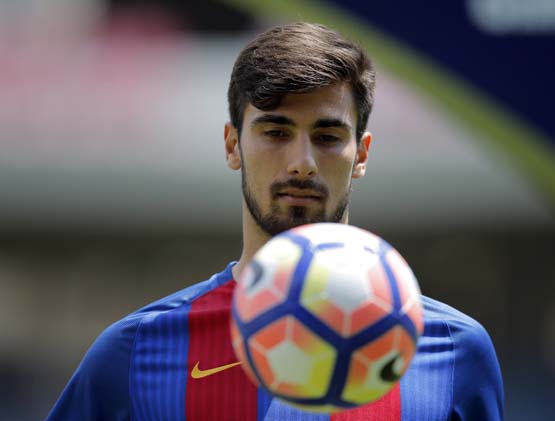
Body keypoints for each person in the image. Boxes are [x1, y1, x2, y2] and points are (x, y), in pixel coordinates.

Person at [48, 22, 504, 420]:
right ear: (232, 145)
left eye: (327, 136)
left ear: (361, 154)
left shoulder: (453, 349)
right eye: (276, 132)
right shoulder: (135, 350)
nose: (302, 162)